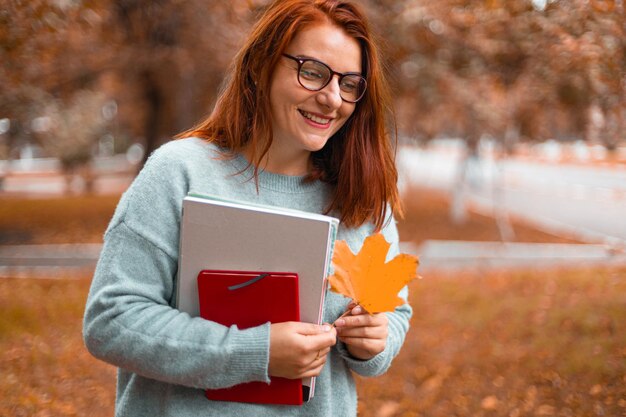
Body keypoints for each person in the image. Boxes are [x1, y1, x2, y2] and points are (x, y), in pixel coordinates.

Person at [83, 0, 412, 416]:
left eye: (349, 84)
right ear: (262, 65)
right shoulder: (180, 172)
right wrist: (253, 352)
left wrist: (375, 341)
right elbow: (111, 321)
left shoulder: (363, 195)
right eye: (312, 72)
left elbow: (394, 311)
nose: (332, 98)